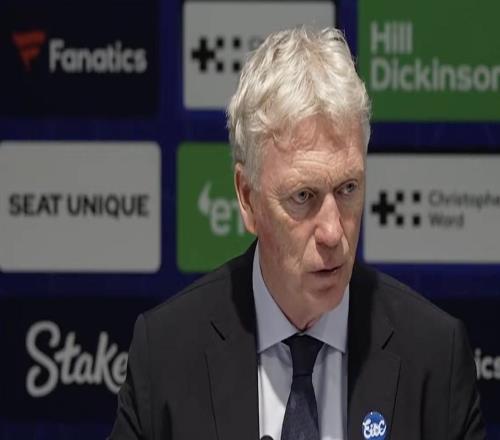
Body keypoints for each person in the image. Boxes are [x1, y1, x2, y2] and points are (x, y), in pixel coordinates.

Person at [109, 27, 485, 440]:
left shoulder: (434, 357)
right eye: (303, 196)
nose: (332, 232)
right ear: (247, 198)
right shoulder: (166, 355)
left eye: (348, 189)